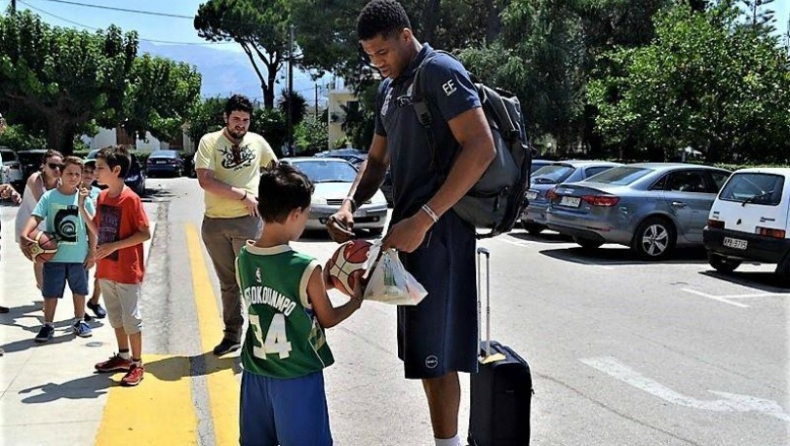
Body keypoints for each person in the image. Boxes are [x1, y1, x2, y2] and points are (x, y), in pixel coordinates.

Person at [327, 2, 496, 445]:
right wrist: (349, 203)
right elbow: (377, 160)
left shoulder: (439, 71)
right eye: (369, 54)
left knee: (439, 356)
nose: (376, 61)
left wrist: (425, 218)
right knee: (425, 354)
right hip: (409, 235)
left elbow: (481, 148)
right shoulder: (390, 89)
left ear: (406, 35)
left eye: (382, 51)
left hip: (440, 233)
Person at [237, 163, 362, 446]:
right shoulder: (306, 266)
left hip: (256, 374)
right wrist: (356, 301)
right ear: (296, 214)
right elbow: (327, 317)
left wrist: (324, 282)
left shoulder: (243, 257)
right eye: (306, 214)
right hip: (296, 377)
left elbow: (276, 287)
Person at [195, 94, 278, 356]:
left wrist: (273, 200)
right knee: (228, 283)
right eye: (236, 119)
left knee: (253, 282)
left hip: (248, 224)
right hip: (215, 224)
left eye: (245, 120)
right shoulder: (209, 142)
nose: (241, 124)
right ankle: (232, 335)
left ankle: (260, 338)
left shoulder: (258, 142)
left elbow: (275, 170)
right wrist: (243, 195)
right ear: (225, 118)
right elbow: (205, 181)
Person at [83, 146, 150, 387]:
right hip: (106, 268)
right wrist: (83, 208)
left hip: (126, 270)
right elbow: (99, 231)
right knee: (116, 317)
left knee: (131, 319)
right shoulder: (101, 197)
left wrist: (114, 247)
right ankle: (123, 356)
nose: (95, 172)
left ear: (116, 170)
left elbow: (144, 233)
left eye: (100, 168)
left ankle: (137, 363)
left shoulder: (130, 199)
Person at [20, 156, 96, 343]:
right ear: (60, 174)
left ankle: (79, 321)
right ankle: (48, 325)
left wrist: (92, 252)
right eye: (69, 173)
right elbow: (36, 217)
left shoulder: (84, 199)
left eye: (77, 174)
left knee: (80, 291)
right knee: (50, 293)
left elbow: (92, 228)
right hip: (54, 256)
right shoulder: (49, 196)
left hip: (78, 256)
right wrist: (25, 232)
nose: (74, 177)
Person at [15, 149, 63, 290]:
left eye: (60, 166)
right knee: (40, 258)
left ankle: (43, 285)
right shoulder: (35, 179)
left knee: (52, 259)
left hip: (48, 223)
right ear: (43, 166)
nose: (57, 169)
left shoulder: (61, 182)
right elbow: (44, 204)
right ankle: (44, 292)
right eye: (52, 165)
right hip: (30, 224)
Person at [81, 159, 106, 319]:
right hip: (82, 239)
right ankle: (80, 309)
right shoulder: (73, 191)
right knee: (82, 275)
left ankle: (95, 301)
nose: (89, 175)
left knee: (103, 273)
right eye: (86, 171)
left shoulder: (99, 192)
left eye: (92, 172)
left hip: (101, 237)